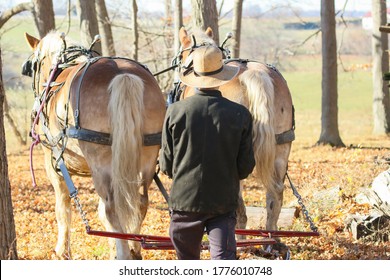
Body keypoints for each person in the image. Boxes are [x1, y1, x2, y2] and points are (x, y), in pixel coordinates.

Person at [159, 45, 255, 260]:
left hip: (184, 202)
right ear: (221, 76)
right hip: (223, 202)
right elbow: (246, 166)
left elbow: (165, 165)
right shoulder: (240, 114)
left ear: (194, 77)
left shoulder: (174, 112)